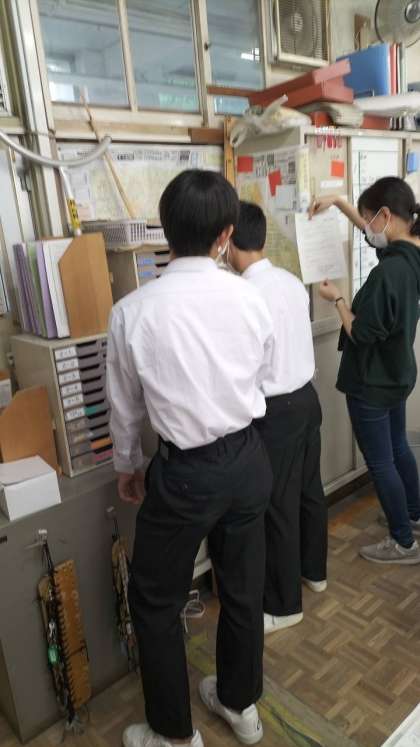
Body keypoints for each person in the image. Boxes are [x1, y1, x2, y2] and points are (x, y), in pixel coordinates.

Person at [106, 170, 274, 747]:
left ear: (164, 229)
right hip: (247, 459)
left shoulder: (132, 310)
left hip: (185, 474)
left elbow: (125, 407)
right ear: (225, 235)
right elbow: (262, 374)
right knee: (244, 587)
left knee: (155, 599)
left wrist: (128, 466)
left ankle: (174, 735)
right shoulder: (250, 298)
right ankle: (240, 704)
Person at [228, 200, 327, 636]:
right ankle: (314, 572)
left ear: (228, 242)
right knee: (309, 491)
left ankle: (285, 606)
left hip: (276, 413)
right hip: (307, 399)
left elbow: (245, 364)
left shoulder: (243, 295)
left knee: (278, 507)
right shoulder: (289, 281)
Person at [309, 177, 420, 565]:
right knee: (398, 448)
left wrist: (337, 298)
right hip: (397, 374)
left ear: (386, 216)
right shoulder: (411, 253)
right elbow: (376, 234)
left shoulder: (389, 273)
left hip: (372, 381)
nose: (368, 228)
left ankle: (403, 541)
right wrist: (340, 203)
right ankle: (414, 516)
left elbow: (361, 332)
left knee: (381, 462)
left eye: (371, 218)